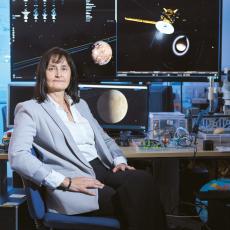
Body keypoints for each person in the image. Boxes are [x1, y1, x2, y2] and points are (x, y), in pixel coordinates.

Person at [9, 47, 166, 230]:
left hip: (103, 168)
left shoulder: (80, 104)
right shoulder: (29, 109)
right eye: (52, 68)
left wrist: (119, 159)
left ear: (71, 74)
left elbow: (104, 139)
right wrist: (65, 182)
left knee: (143, 180)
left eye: (64, 68)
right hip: (73, 177)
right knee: (132, 200)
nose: (59, 74)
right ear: (42, 74)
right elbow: (18, 156)